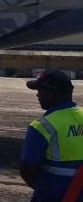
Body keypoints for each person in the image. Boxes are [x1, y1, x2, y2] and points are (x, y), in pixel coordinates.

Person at [20, 70, 83, 201]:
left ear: (53, 94)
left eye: (40, 90)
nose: (37, 95)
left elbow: (27, 170)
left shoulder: (41, 126)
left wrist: (45, 189)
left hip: (52, 195)